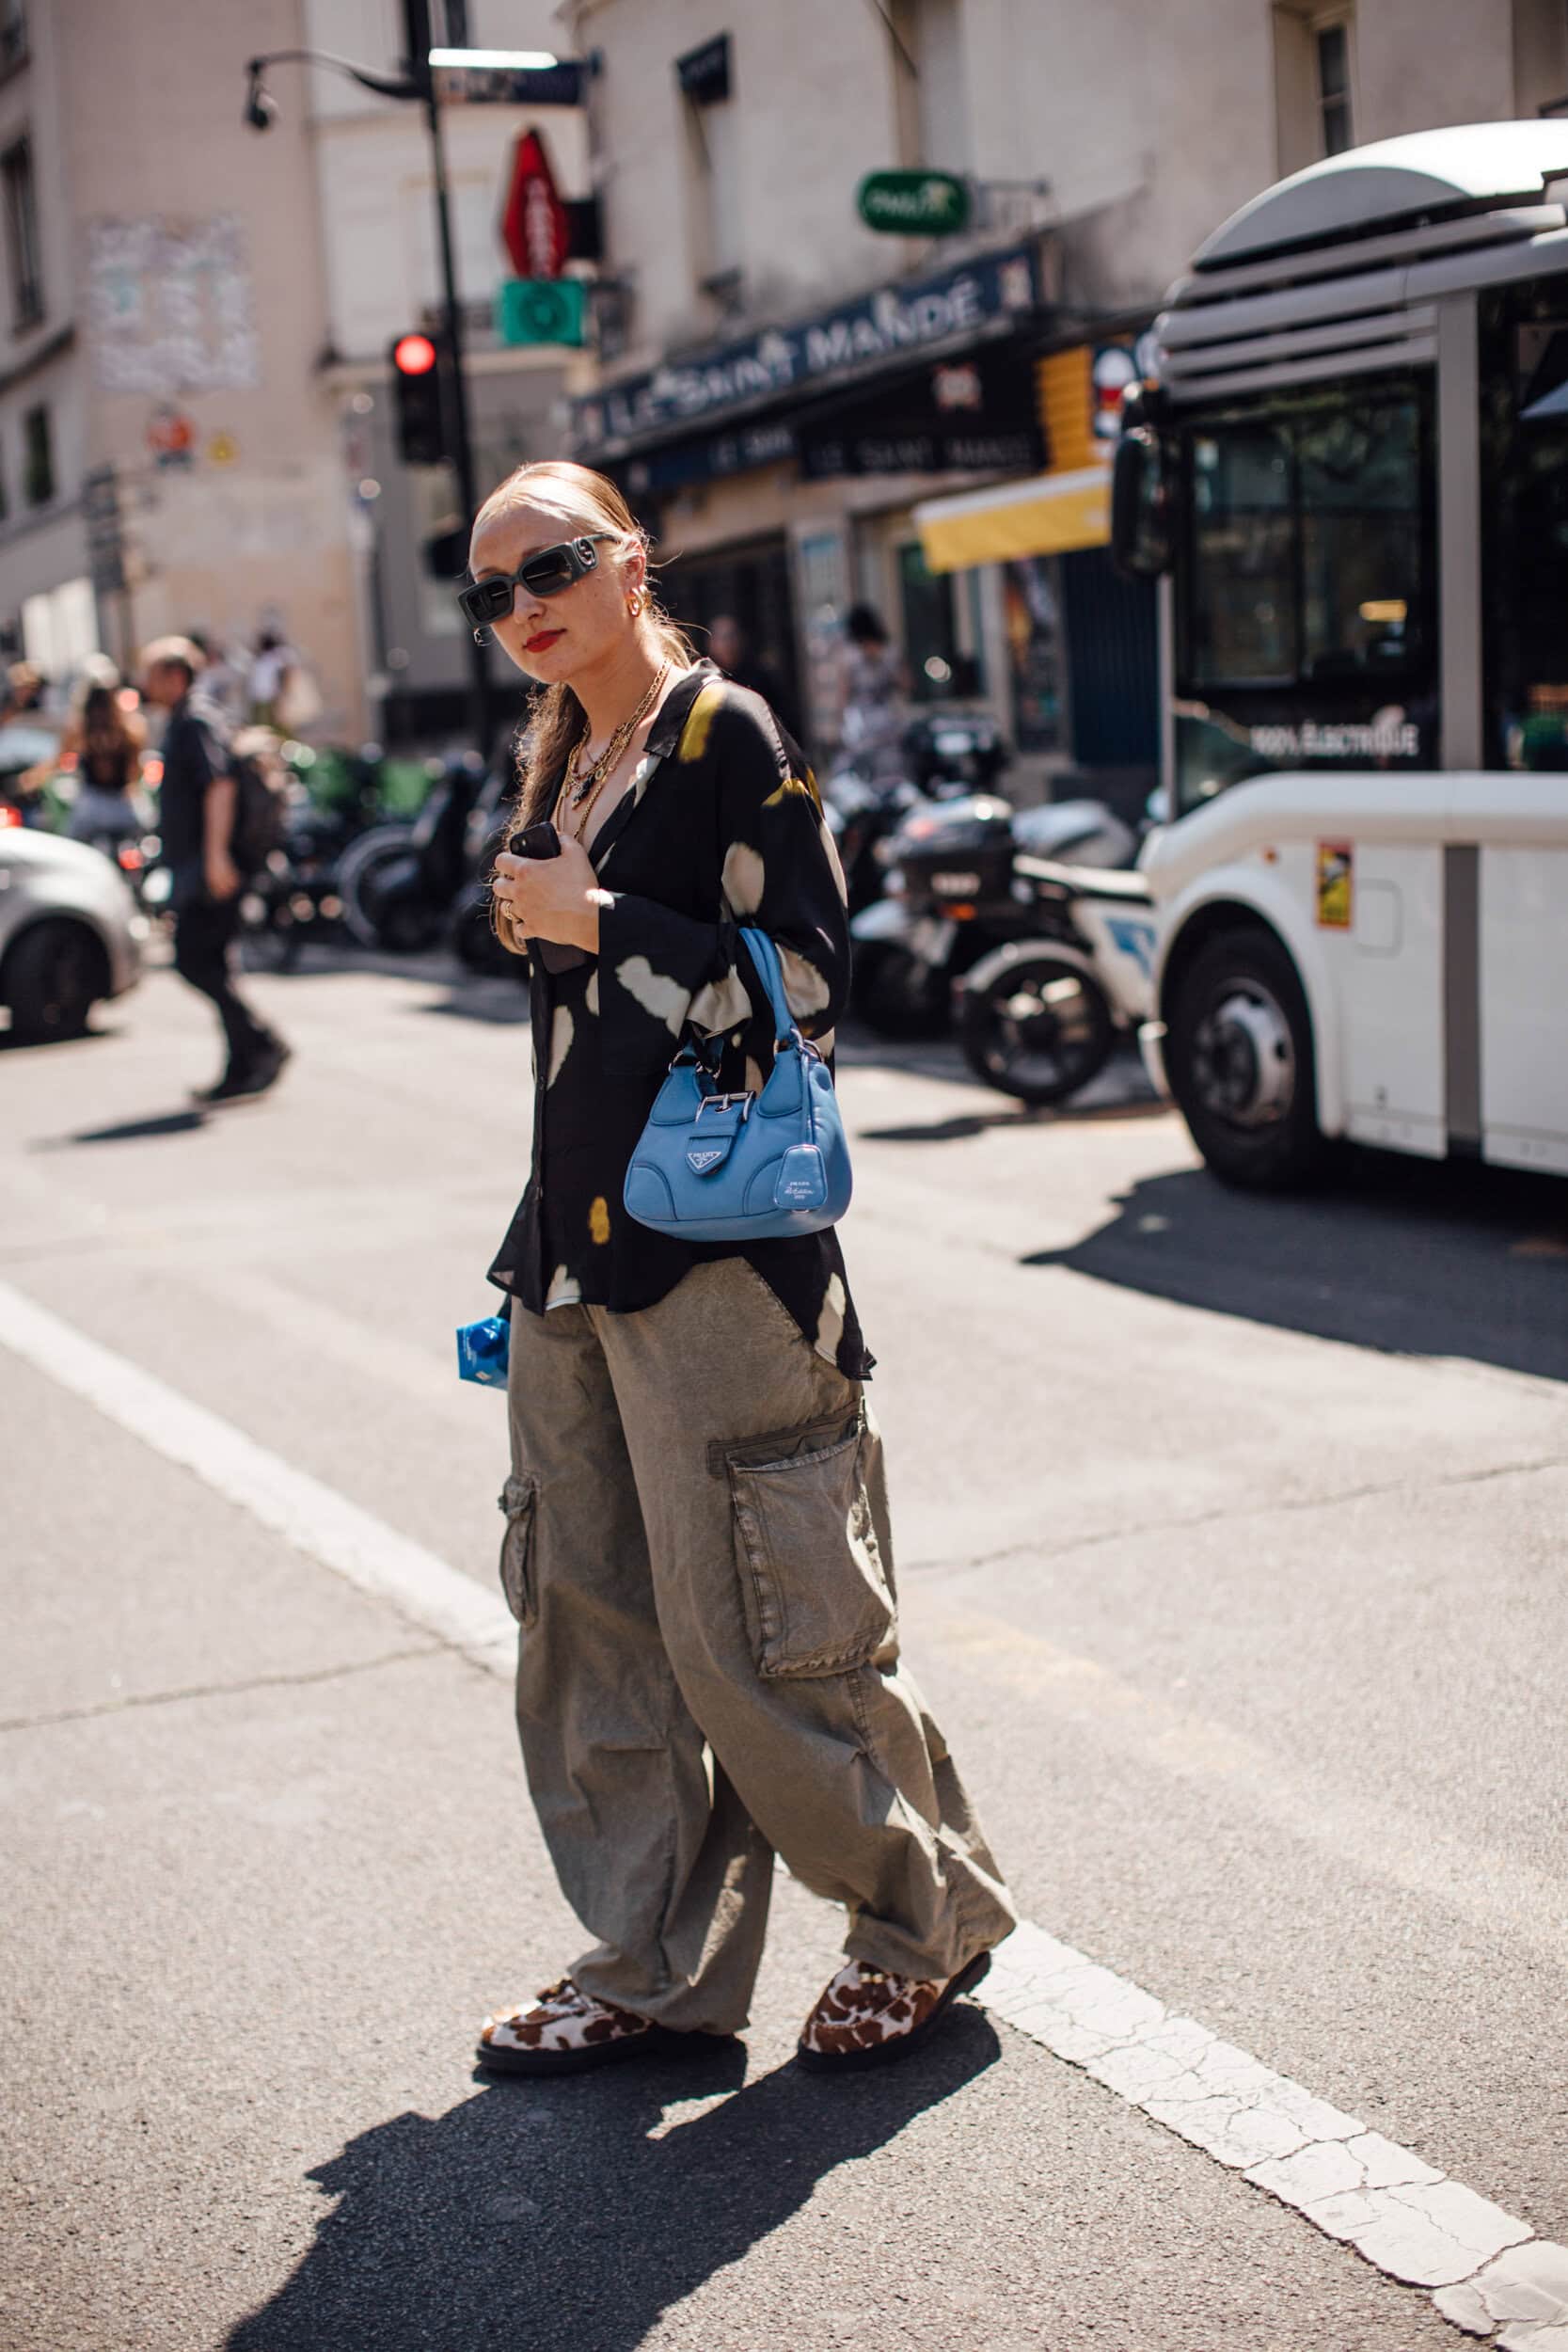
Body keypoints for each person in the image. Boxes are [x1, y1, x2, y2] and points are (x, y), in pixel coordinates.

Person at [473, 460, 1016, 2079]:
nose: (522, 606)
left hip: (719, 1256)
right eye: (492, 589)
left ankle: (921, 1919)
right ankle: (652, 1970)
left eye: (552, 565)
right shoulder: (564, 753)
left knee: (762, 1626)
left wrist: (597, 922)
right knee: (587, 1621)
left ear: (630, 561)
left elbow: (808, 989)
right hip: (571, 1255)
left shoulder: (724, 734)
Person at [139, 635, 290, 1105]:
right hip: (199, 864)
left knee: (194, 959)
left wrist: (216, 857)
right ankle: (243, 1062)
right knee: (211, 963)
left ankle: (261, 1044)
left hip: (211, 867)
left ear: (175, 676)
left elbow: (219, 785)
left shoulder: (195, 721)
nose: (145, 683)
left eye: (151, 674)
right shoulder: (185, 719)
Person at [62, 659, 147, 851]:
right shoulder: (131, 728)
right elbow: (136, 771)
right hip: (123, 806)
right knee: (145, 840)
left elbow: (60, 760)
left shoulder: (79, 729)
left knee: (72, 848)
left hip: (91, 806)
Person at [705, 611, 799, 743]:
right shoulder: (708, 681)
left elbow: (782, 719)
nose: (728, 644)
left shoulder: (760, 678)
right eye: (722, 638)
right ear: (711, 644)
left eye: (731, 637)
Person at [839, 602, 908, 779]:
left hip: (887, 720)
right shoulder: (852, 657)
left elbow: (905, 683)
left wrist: (883, 663)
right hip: (863, 722)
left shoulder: (888, 653)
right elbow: (845, 691)